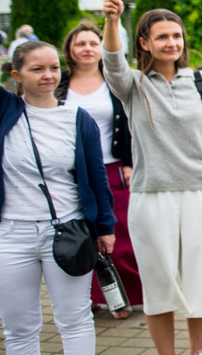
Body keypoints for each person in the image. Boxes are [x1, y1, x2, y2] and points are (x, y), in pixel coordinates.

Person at [0, 41, 114, 355]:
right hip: (9, 235)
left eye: (54, 67)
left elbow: (97, 177)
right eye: (37, 69)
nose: (49, 75)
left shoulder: (78, 118)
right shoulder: (2, 109)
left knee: (74, 319)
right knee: (18, 327)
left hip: (67, 233)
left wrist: (105, 228)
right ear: (17, 75)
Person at [101, 0, 202, 355]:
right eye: (161, 37)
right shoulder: (133, 85)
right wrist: (111, 20)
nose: (171, 43)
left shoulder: (201, 81)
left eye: (176, 36)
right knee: (158, 282)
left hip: (199, 193)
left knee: (199, 278)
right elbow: (112, 63)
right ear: (144, 42)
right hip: (151, 195)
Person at [56, 21, 140, 319]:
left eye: (94, 43)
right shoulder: (59, 83)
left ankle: (123, 297)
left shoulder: (114, 82)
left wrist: (129, 162)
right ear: (70, 50)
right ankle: (88, 299)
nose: (88, 48)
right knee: (79, 235)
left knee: (120, 235)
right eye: (81, 44)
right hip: (70, 173)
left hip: (112, 168)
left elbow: (131, 124)